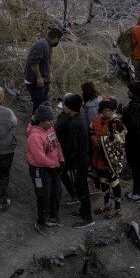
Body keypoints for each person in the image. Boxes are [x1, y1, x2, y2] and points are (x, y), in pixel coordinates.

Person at [55, 93, 94, 229]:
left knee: (81, 188)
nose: (63, 107)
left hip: (78, 161)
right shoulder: (80, 117)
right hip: (82, 159)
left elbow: (72, 146)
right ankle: (83, 211)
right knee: (81, 187)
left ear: (69, 108)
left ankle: (88, 218)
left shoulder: (73, 123)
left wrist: (67, 159)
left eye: (65, 105)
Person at [26, 104, 63, 236]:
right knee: (43, 196)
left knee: (56, 192)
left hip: (53, 168)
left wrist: (61, 160)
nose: (52, 122)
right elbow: (40, 158)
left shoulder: (50, 129)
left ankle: (53, 217)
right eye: (49, 120)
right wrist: (55, 165)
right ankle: (40, 223)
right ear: (41, 121)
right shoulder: (35, 137)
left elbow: (56, 145)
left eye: (52, 120)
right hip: (40, 171)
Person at [90, 98, 126, 219]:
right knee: (103, 181)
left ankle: (117, 207)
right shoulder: (95, 120)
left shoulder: (116, 123)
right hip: (98, 157)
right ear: (100, 111)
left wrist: (103, 141)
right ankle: (106, 204)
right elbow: (90, 131)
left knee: (114, 182)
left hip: (110, 160)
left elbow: (121, 139)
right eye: (104, 110)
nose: (107, 113)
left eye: (109, 111)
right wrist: (93, 138)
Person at [122, 81, 140, 201]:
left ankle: (136, 194)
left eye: (130, 91)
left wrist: (122, 122)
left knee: (136, 166)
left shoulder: (134, 106)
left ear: (134, 93)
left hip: (135, 140)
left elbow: (133, 124)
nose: (127, 92)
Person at [24, 27, 62, 115]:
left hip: (43, 80)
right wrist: (39, 78)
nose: (58, 42)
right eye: (59, 40)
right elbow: (34, 63)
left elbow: (47, 61)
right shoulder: (42, 45)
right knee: (38, 105)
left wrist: (49, 72)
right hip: (35, 81)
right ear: (56, 38)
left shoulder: (48, 45)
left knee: (44, 103)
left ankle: (42, 123)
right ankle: (35, 124)